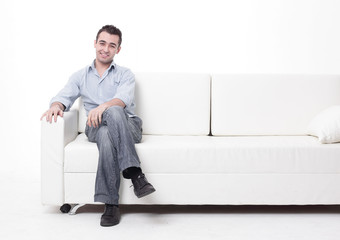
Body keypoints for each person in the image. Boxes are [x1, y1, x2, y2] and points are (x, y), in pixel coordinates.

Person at [41, 25, 155, 227]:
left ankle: (110, 204)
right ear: (95, 44)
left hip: (128, 126)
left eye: (112, 45)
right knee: (102, 131)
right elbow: (63, 96)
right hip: (94, 126)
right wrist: (55, 106)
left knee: (111, 118)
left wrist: (103, 107)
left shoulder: (125, 74)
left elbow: (122, 100)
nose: (106, 48)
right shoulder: (80, 76)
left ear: (118, 49)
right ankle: (136, 175)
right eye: (102, 43)